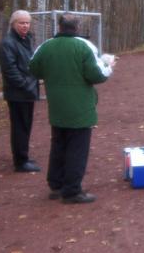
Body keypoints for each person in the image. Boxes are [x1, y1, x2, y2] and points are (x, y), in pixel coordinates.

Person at [29, 13, 115, 204]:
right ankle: (72, 190)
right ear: (77, 28)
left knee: (58, 144)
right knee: (77, 148)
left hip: (57, 105)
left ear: (59, 27)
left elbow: (33, 68)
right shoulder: (84, 46)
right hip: (80, 107)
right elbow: (97, 75)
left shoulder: (46, 46)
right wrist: (108, 66)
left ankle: (56, 185)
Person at [0, 10, 41, 173]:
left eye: (27, 23)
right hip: (18, 93)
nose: (25, 26)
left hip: (28, 91)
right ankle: (20, 161)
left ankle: (23, 156)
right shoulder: (8, 43)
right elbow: (10, 70)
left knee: (25, 125)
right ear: (13, 24)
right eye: (21, 23)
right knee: (19, 127)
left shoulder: (26, 40)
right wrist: (25, 85)